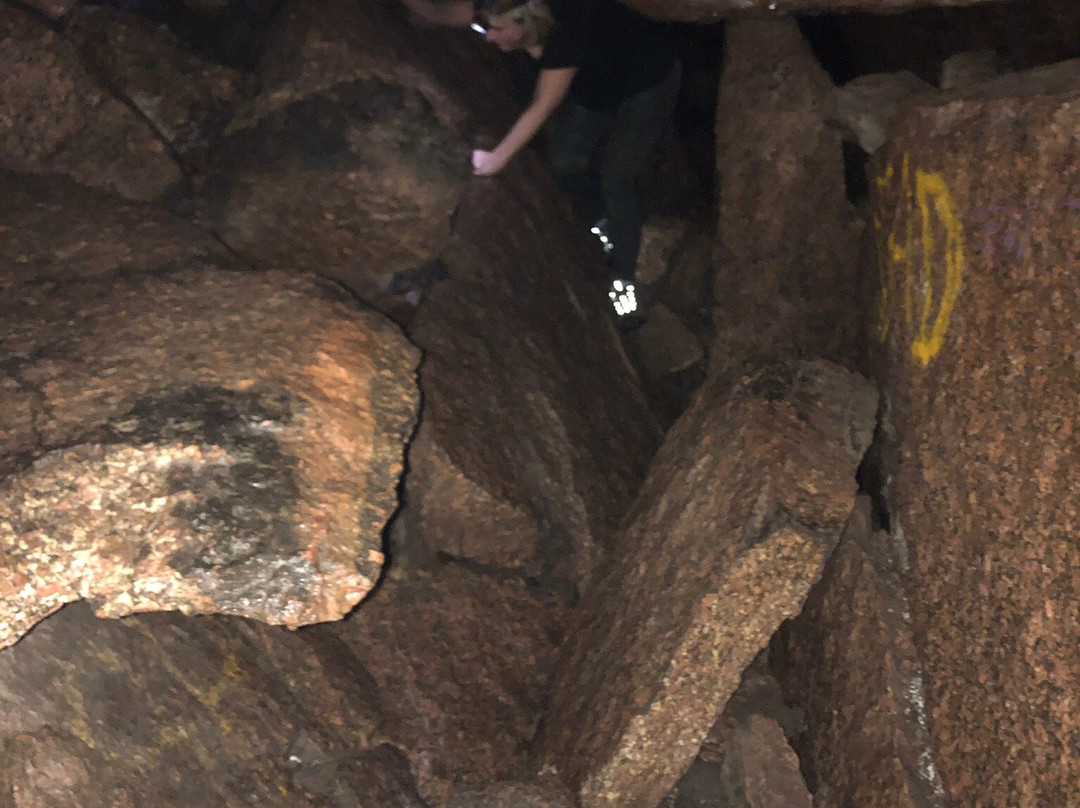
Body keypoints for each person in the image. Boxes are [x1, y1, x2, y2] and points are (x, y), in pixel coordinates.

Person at [399, 0, 681, 319]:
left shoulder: (569, 27)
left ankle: (623, 281)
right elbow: (449, 11)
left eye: (497, 30)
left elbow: (543, 105)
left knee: (616, 177)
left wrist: (495, 160)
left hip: (645, 82)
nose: (489, 38)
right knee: (563, 161)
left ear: (527, 21)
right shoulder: (504, 8)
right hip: (594, 88)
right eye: (485, 28)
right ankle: (603, 223)